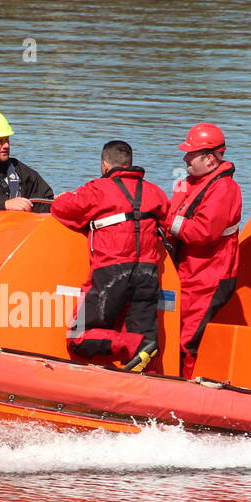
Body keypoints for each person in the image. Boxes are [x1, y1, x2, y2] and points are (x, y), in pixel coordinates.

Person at [50, 140, 169, 373]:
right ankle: (145, 371)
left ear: (105, 165)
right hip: (148, 273)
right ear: (130, 164)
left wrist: (62, 197)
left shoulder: (98, 189)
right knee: (145, 347)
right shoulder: (155, 192)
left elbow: (62, 210)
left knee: (78, 337)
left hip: (111, 273)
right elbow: (168, 223)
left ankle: (135, 345)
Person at [165, 122, 243, 379]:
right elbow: (175, 211)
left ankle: (184, 394)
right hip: (189, 272)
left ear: (209, 159)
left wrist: (164, 220)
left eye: (191, 153)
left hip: (210, 275)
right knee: (172, 331)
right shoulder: (191, 181)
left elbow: (202, 232)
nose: (185, 157)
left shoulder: (223, 189)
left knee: (186, 342)